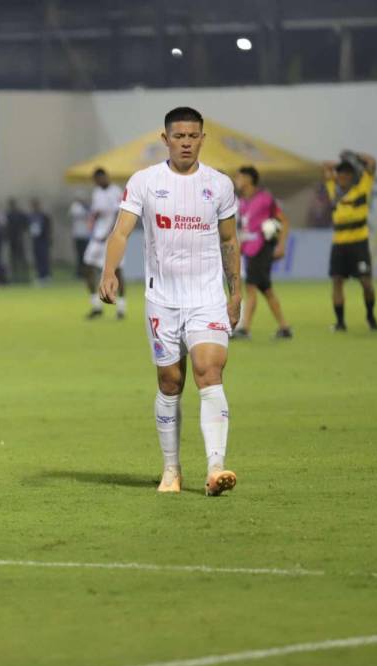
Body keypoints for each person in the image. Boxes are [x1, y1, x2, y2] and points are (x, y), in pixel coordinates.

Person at [98, 106, 242, 497]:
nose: (186, 143)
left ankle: (215, 468)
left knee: (208, 371)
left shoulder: (219, 185)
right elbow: (121, 232)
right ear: (165, 139)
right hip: (162, 300)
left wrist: (236, 291)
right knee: (170, 381)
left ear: (202, 139)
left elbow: (229, 241)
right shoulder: (145, 182)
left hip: (207, 298)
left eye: (193, 136)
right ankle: (171, 469)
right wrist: (109, 271)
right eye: (178, 136)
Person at [323, 150, 377, 332]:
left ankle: (370, 316)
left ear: (353, 174)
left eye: (347, 172)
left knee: (366, 283)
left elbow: (372, 163)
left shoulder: (362, 189)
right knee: (337, 282)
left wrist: (355, 156)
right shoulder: (334, 190)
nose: (343, 175)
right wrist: (339, 162)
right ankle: (340, 322)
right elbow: (325, 167)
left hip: (359, 243)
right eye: (340, 172)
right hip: (339, 244)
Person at [233, 166, 292, 339]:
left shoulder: (265, 199)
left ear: (249, 179)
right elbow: (245, 228)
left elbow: (284, 221)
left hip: (262, 248)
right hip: (249, 250)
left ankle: (244, 329)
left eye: (239, 177)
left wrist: (281, 246)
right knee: (266, 289)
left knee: (251, 287)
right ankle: (284, 327)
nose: (236, 180)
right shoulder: (242, 202)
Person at [84, 168, 126, 319]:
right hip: (97, 237)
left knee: (117, 271)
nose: (98, 182)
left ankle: (121, 307)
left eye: (100, 179)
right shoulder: (96, 193)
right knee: (88, 267)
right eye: (96, 180)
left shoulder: (115, 191)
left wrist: (110, 232)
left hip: (112, 238)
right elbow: (96, 212)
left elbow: (118, 213)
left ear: (105, 177)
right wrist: (91, 220)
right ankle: (96, 306)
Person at [28, 198, 52, 284]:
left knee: (44, 257)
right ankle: (40, 275)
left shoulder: (43, 215)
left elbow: (48, 228)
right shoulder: (31, 216)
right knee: (37, 257)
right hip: (35, 239)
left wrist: (49, 238)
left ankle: (46, 276)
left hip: (43, 239)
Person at [69, 197, 91, 280]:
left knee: (85, 255)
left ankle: (86, 273)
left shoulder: (87, 207)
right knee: (79, 255)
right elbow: (75, 214)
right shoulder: (75, 206)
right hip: (77, 235)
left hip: (85, 235)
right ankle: (79, 272)